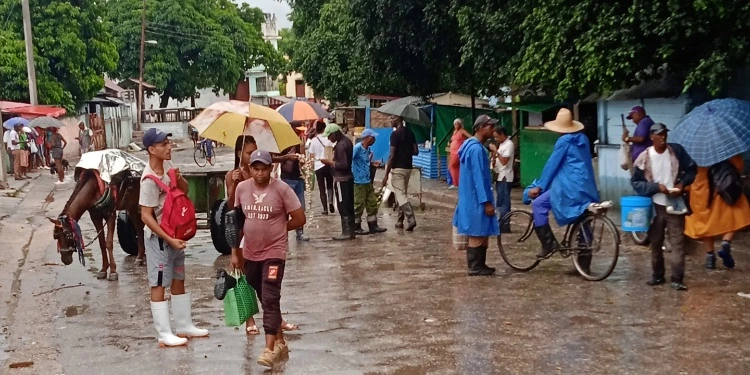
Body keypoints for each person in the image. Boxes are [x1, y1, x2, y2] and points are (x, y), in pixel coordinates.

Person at [231, 150, 306, 367]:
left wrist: (280, 229)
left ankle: (269, 349)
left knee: (271, 296)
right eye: (256, 168)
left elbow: (299, 218)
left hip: (274, 253)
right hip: (250, 253)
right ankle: (281, 342)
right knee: (264, 295)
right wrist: (235, 252)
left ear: (271, 168)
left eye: (264, 168)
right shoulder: (242, 188)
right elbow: (236, 222)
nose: (260, 173)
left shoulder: (282, 189)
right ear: (251, 168)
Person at [139, 128, 208, 348]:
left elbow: (184, 191)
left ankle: (183, 324)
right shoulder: (148, 179)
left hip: (175, 235)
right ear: (151, 149)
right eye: (163, 144)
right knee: (159, 282)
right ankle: (164, 333)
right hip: (160, 239)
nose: (169, 147)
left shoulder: (167, 167)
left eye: (169, 143)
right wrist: (168, 239)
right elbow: (146, 216)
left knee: (179, 277)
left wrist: (178, 178)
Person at [225, 136, 300, 336]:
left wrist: (279, 228)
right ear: (240, 154)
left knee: (269, 287)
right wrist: (234, 183)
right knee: (249, 281)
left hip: (269, 242)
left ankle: (275, 321)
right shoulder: (234, 177)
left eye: (254, 150)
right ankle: (250, 319)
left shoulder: (273, 184)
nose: (252, 155)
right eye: (249, 152)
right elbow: (232, 207)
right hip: (244, 235)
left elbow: (297, 217)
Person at [527, 108, 600, 260]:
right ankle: (584, 264)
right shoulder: (583, 139)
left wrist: (540, 186)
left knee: (539, 204)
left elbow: (552, 165)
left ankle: (548, 244)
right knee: (583, 219)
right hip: (587, 187)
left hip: (570, 187)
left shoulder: (564, 141)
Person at [631, 123, 697, 291]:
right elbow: (636, 183)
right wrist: (655, 187)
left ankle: (677, 278)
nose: (663, 137)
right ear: (652, 137)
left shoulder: (677, 151)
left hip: (675, 203)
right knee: (656, 242)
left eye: (665, 134)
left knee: (678, 242)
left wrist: (682, 184)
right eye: (659, 135)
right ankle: (657, 275)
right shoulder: (644, 157)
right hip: (655, 206)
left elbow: (692, 169)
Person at [684, 154, 750, 270]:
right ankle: (726, 242)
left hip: (700, 193)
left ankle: (710, 257)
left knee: (705, 224)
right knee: (738, 213)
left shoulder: (693, 152)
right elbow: (739, 166)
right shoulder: (724, 148)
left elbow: (687, 178)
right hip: (721, 189)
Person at [453, 115, 498, 276]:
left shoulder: (470, 147)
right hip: (477, 199)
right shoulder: (477, 150)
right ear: (480, 128)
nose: (492, 130)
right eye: (490, 126)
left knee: (481, 231)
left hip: (470, 197)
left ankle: (480, 264)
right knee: (477, 233)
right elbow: (479, 178)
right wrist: (486, 202)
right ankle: (474, 266)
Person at [382, 117, 419, 231]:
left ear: (398, 119)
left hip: (398, 168)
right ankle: (399, 220)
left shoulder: (394, 135)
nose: (390, 120)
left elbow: (392, 156)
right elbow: (416, 151)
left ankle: (411, 218)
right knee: (402, 194)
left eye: (392, 118)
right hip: (408, 167)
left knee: (400, 195)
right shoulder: (410, 132)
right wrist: (406, 150)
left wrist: (386, 174)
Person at [320, 124, 355, 240]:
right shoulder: (347, 142)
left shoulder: (341, 146)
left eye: (329, 136)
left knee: (343, 205)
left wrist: (330, 163)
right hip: (348, 178)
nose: (329, 139)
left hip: (342, 180)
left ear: (335, 134)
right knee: (349, 205)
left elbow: (343, 164)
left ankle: (346, 232)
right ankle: (351, 231)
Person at [352, 129, 387, 235]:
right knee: (358, 204)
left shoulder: (368, 149)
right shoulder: (357, 148)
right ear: (367, 138)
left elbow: (365, 162)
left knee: (372, 203)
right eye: (373, 137)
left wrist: (372, 164)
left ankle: (373, 225)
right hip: (359, 181)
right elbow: (350, 161)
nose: (375, 140)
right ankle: (356, 226)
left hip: (367, 180)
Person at [279, 123, 310, 241]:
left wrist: (302, 157)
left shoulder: (299, 143)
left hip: (298, 179)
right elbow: (276, 158)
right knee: (285, 208)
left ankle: (299, 232)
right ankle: (283, 233)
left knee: (300, 207)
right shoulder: (284, 144)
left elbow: (303, 161)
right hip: (287, 179)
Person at [307, 121, 335, 215]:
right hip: (328, 164)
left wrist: (310, 167)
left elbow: (311, 155)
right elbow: (333, 151)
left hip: (318, 166)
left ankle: (325, 209)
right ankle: (331, 201)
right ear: (324, 128)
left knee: (321, 188)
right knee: (330, 185)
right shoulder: (328, 139)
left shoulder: (314, 140)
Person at [489, 126, 514, 230]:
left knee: (504, 201)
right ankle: (501, 222)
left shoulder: (509, 144)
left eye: (497, 137)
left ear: (502, 134)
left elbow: (504, 161)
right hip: (499, 175)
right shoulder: (502, 144)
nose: (496, 139)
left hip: (505, 176)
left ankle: (505, 224)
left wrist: (496, 151)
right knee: (499, 200)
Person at [448, 118, 471, 189]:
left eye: (457, 124)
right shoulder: (454, 132)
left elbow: (470, 137)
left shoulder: (462, 131)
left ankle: (455, 183)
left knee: (451, 166)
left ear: (460, 124)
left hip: (457, 152)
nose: (456, 125)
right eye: (454, 124)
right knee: (456, 167)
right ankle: (458, 182)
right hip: (452, 151)